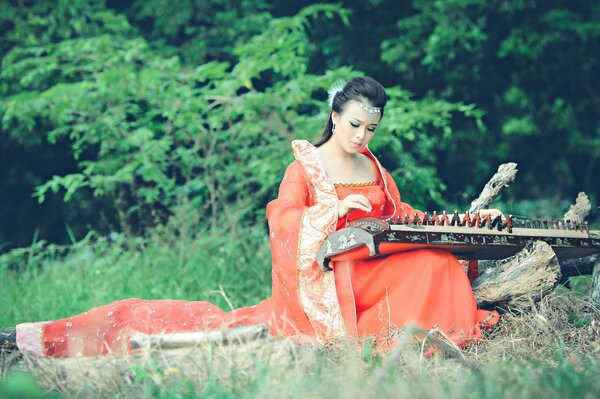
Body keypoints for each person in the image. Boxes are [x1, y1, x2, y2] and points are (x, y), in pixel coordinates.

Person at [4, 76, 498, 358]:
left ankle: (435, 335)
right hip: (336, 277)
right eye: (354, 125)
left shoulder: (371, 164)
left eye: (371, 128)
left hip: (375, 260)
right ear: (334, 117)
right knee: (429, 267)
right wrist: (331, 210)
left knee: (438, 260)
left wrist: (461, 223)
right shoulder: (305, 165)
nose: (363, 137)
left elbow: (399, 213)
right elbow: (283, 225)